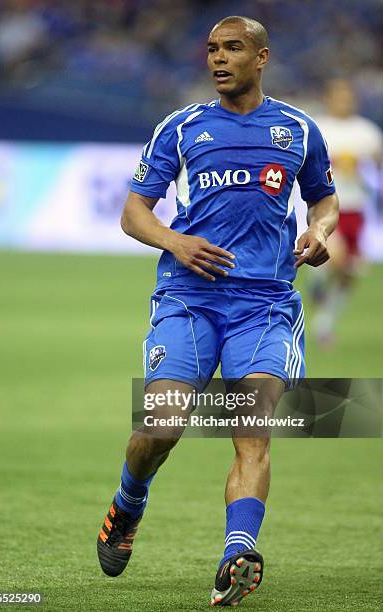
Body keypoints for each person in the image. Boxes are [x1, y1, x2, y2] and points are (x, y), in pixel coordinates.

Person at [97, 15, 339, 607]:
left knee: (252, 430)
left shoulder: (298, 130)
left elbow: (324, 200)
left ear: (262, 57)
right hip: (188, 298)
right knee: (161, 427)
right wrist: (175, 242)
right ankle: (129, 502)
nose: (218, 58)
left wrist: (319, 231)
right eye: (211, 49)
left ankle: (237, 552)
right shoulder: (181, 128)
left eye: (232, 48)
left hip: (265, 304)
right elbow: (134, 213)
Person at [309, 79, 382, 345]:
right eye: (338, 96)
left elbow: (376, 165)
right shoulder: (318, 128)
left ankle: (324, 323)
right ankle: (318, 277)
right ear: (329, 99)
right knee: (337, 259)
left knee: (349, 273)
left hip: (357, 209)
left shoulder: (367, 132)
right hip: (327, 204)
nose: (344, 101)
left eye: (347, 96)